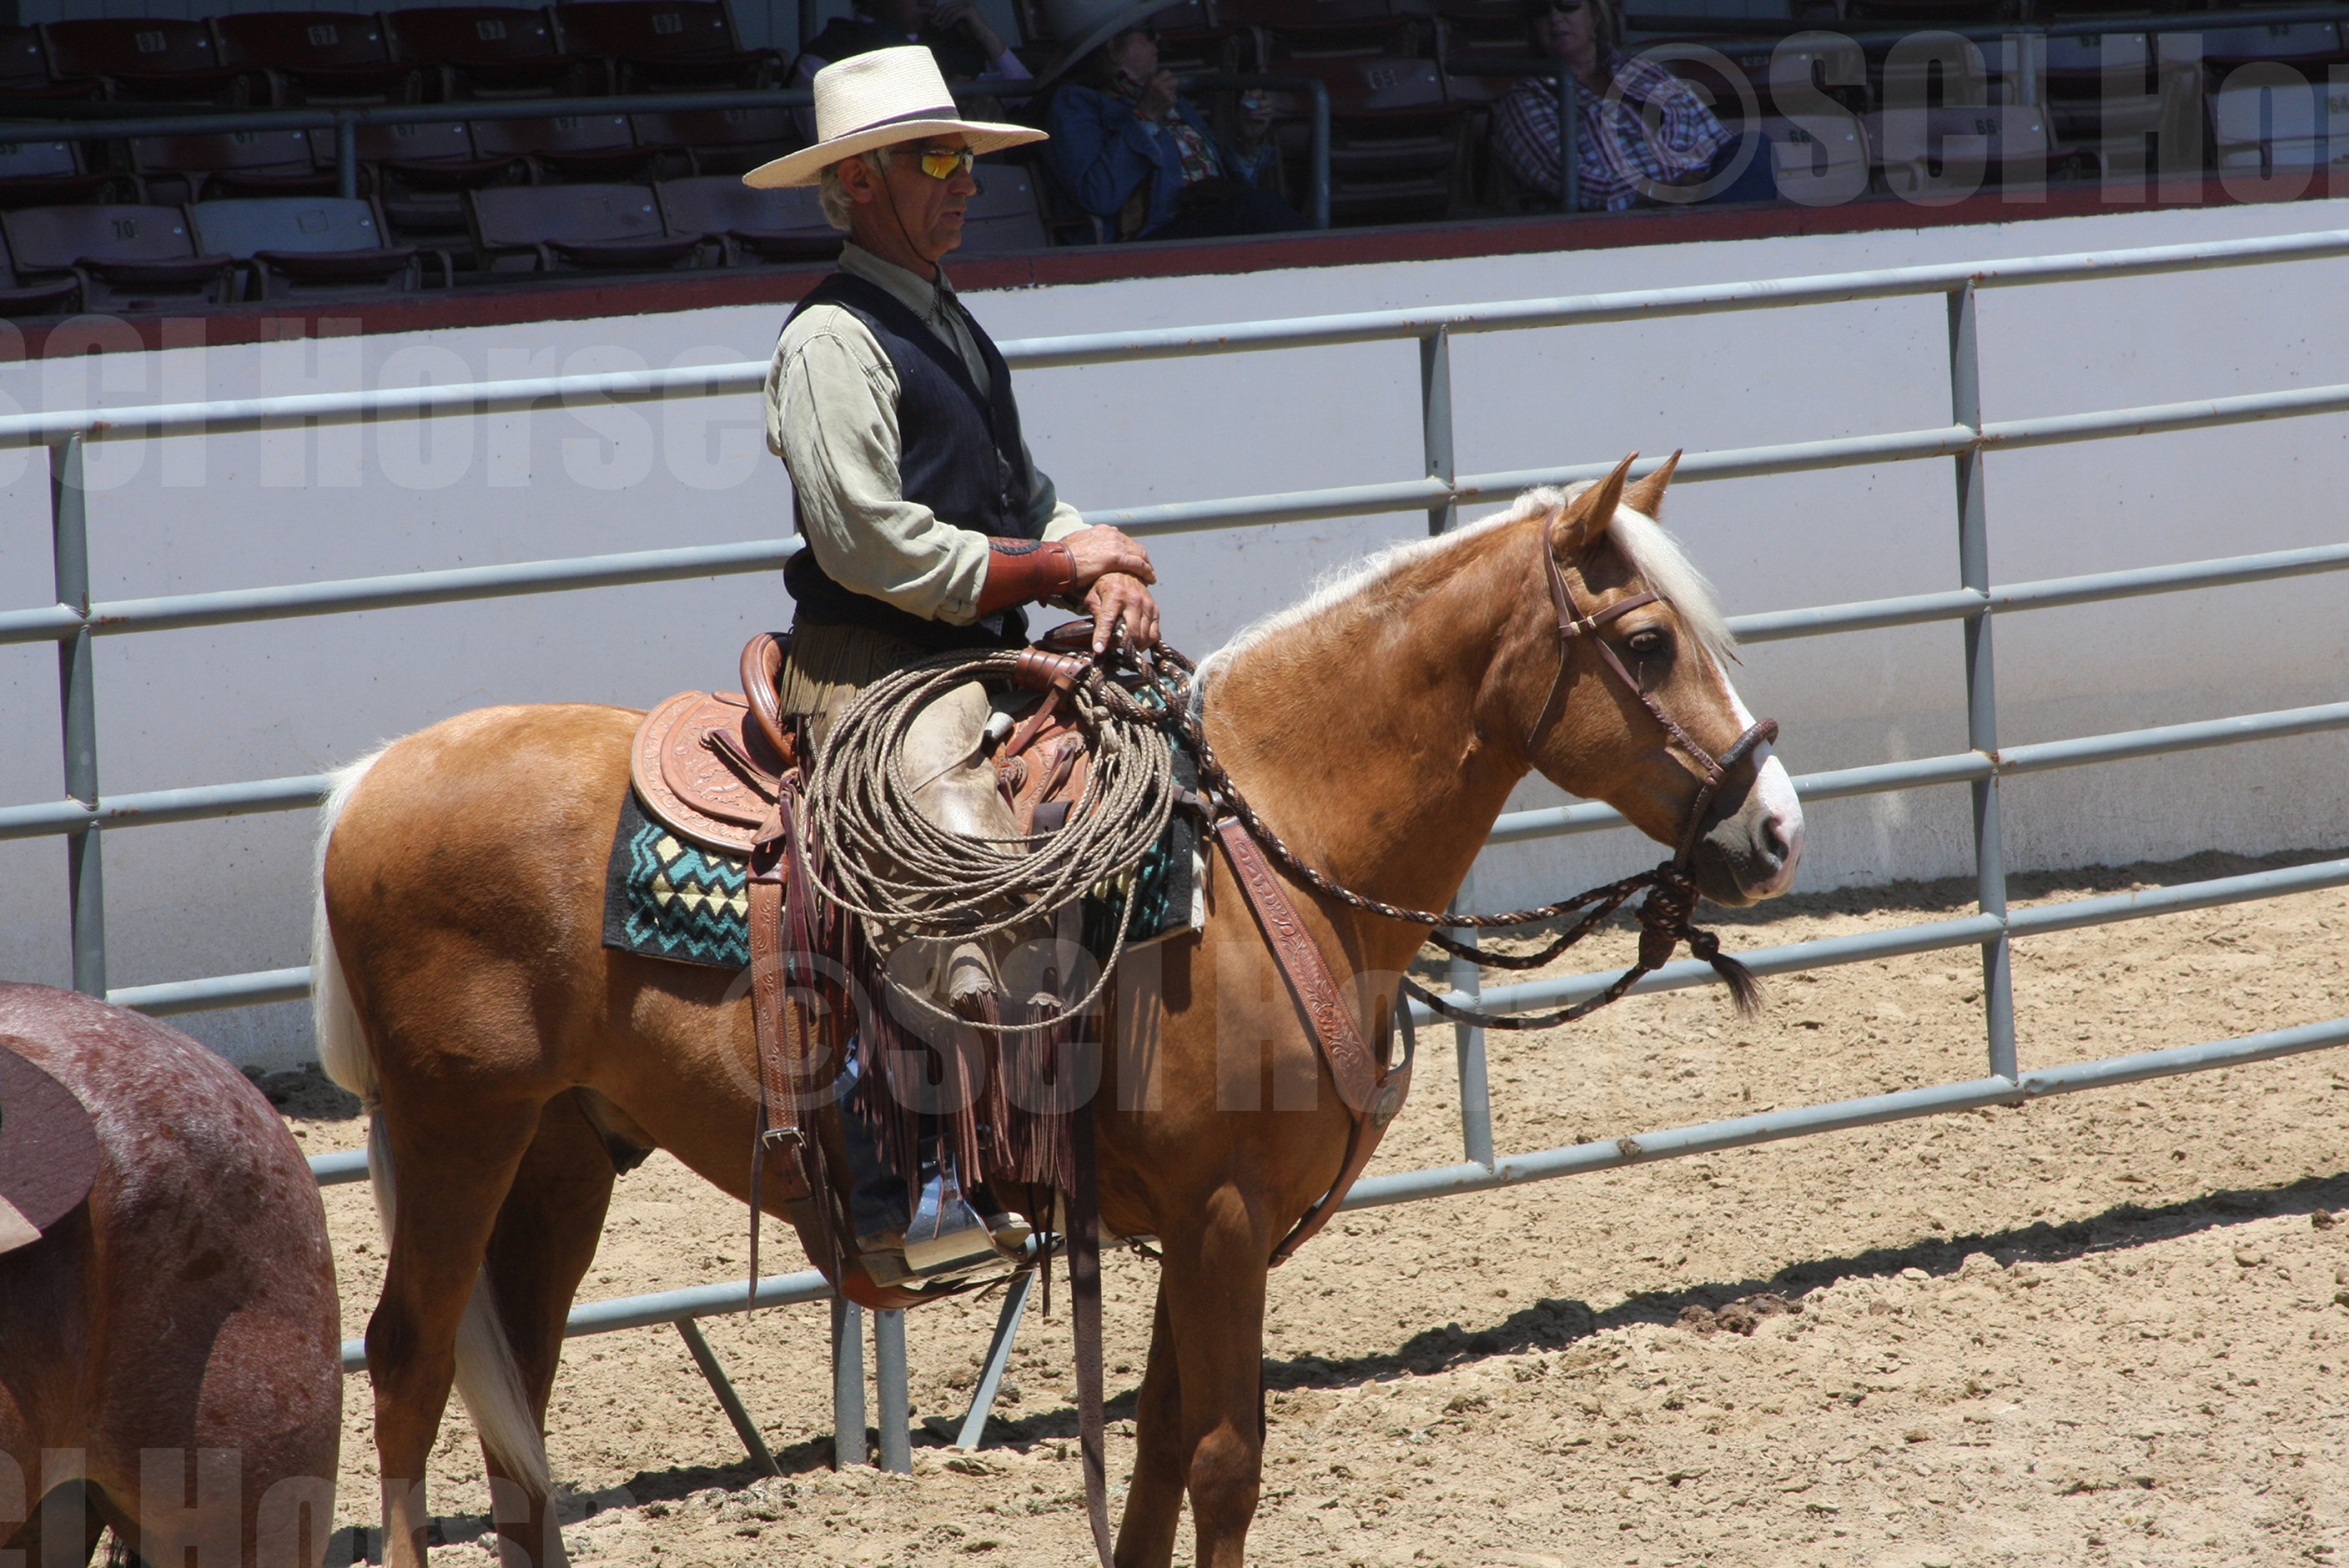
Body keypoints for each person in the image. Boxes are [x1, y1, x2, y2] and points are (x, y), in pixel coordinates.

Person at [744, 47, 1159, 1282]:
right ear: (858, 184)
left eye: (966, 156)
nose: (964, 180)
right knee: (954, 850)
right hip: (875, 667)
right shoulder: (829, 340)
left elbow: (1025, 495)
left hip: (970, 654)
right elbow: (868, 539)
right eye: (936, 158)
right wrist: (1048, 572)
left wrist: (1099, 558)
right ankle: (917, 1172)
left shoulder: (946, 325)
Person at [1491, 0, 1776, 211]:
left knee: (1752, 148)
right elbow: (1565, 177)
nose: (1555, 18)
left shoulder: (1644, 71)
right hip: (1630, 217)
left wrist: (1699, 183)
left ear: (1594, 16)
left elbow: (1717, 138)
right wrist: (1660, 192)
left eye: (1568, 6)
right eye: (1540, 11)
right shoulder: (1525, 100)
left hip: (1702, 197)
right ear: (1532, 27)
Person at [1039, 22, 1303, 240]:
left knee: (1266, 211)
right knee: (1262, 209)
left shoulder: (1170, 100)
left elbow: (1234, 186)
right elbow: (1097, 196)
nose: (1159, 39)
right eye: (1149, 33)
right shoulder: (1076, 104)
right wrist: (1144, 119)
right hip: (1148, 237)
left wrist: (1247, 138)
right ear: (1114, 46)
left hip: (1206, 220)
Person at [787, 0, 1036, 142]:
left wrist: (984, 33)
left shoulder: (957, 41)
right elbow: (822, 139)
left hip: (985, 184)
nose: (928, 1)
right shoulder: (831, 51)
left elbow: (1026, 98)